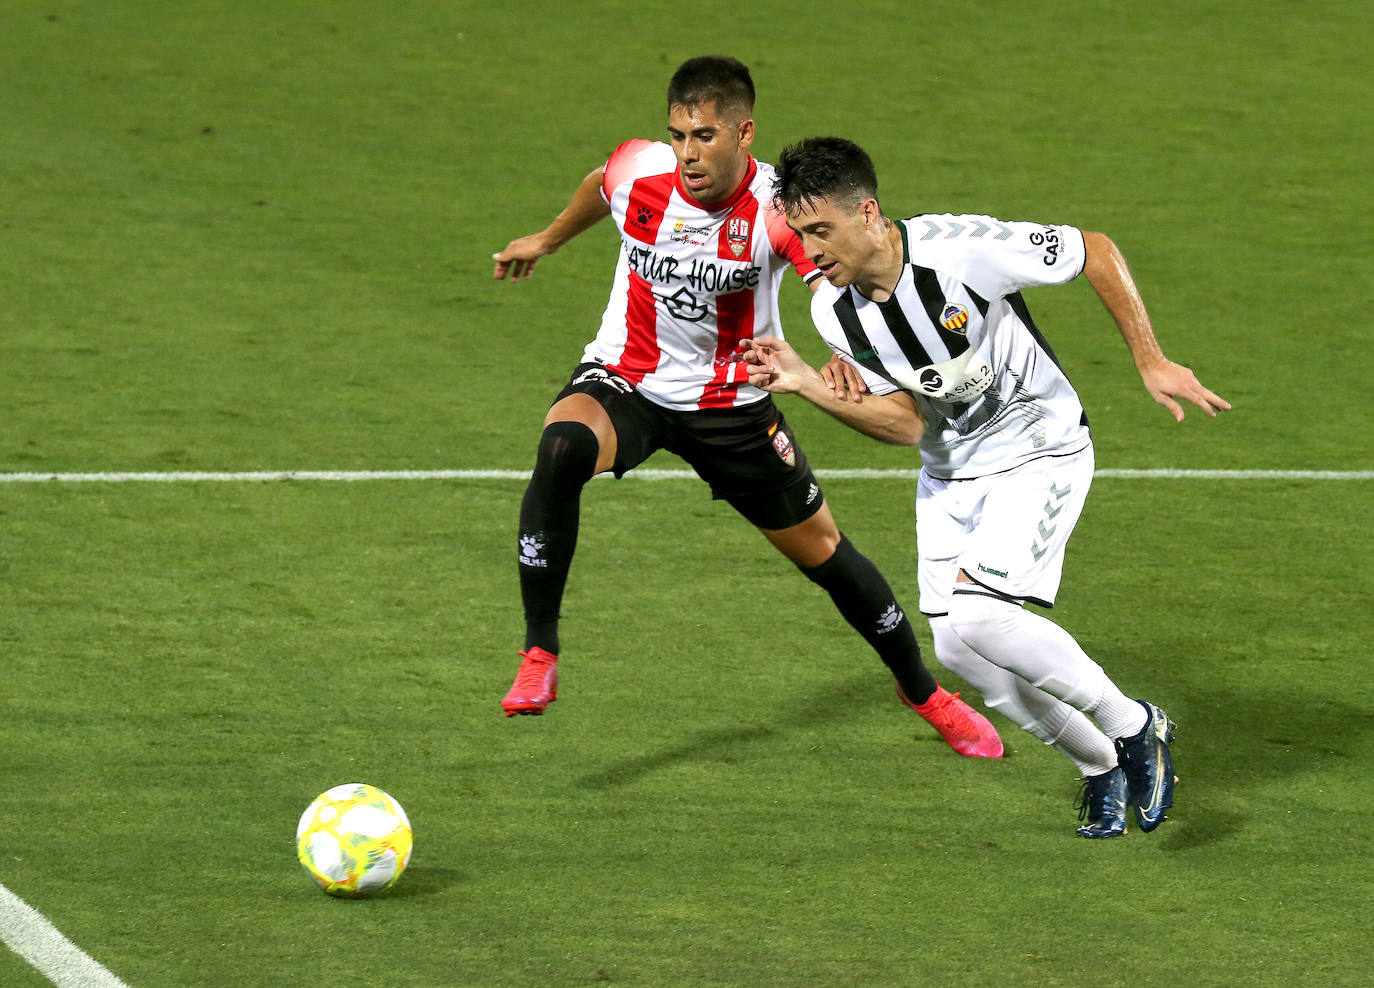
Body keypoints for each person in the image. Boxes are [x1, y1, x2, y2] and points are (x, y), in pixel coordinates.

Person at [489, 57, 1002, 758]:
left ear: (744, 132)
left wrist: (843, 351)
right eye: (677, 136)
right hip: (628, 379)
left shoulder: (774, 210)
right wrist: (548, 238)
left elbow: (828, 276)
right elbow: (598, 186)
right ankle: (540, 652)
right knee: (561, 448)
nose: (688, 154)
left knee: (824, 551)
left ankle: (925, 692)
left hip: (733, 400)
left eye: (704, 136)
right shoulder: (638, 172)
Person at [740, 136, 1231, 837]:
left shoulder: (961, 250)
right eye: (800, 233)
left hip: (1040, 449)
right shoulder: (834, 313)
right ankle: (1099, 766)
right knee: (960, 650)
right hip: (949, 474)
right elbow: (904, 427)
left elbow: (1092, 248)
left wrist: (1149, 359)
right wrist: (811, 385)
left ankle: (1134, 724)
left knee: (979, 617)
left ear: (870, 214)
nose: (811, 252)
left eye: (822, 231)